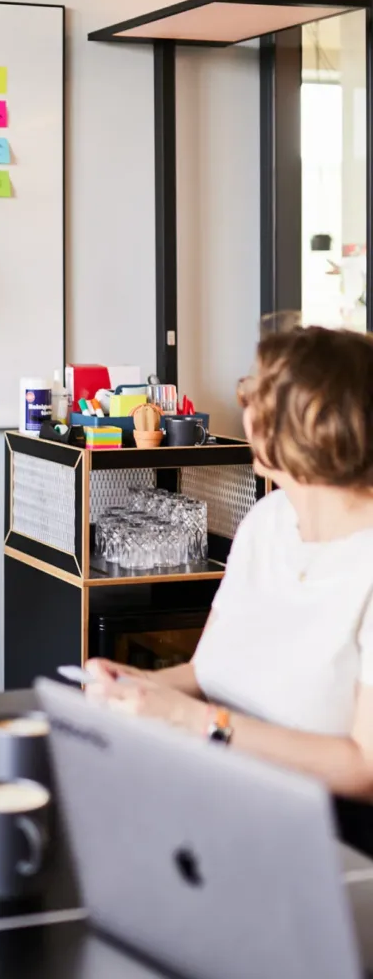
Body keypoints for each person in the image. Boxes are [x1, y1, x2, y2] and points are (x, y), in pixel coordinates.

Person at [84, 325, 373, 824]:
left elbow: (365, 770)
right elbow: (205, 673)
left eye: (256, 398)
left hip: (329, 837)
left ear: (317, 426)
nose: (246, 413)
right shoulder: (266, 522)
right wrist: (138, 687)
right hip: (222, 800)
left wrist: (197, 722)